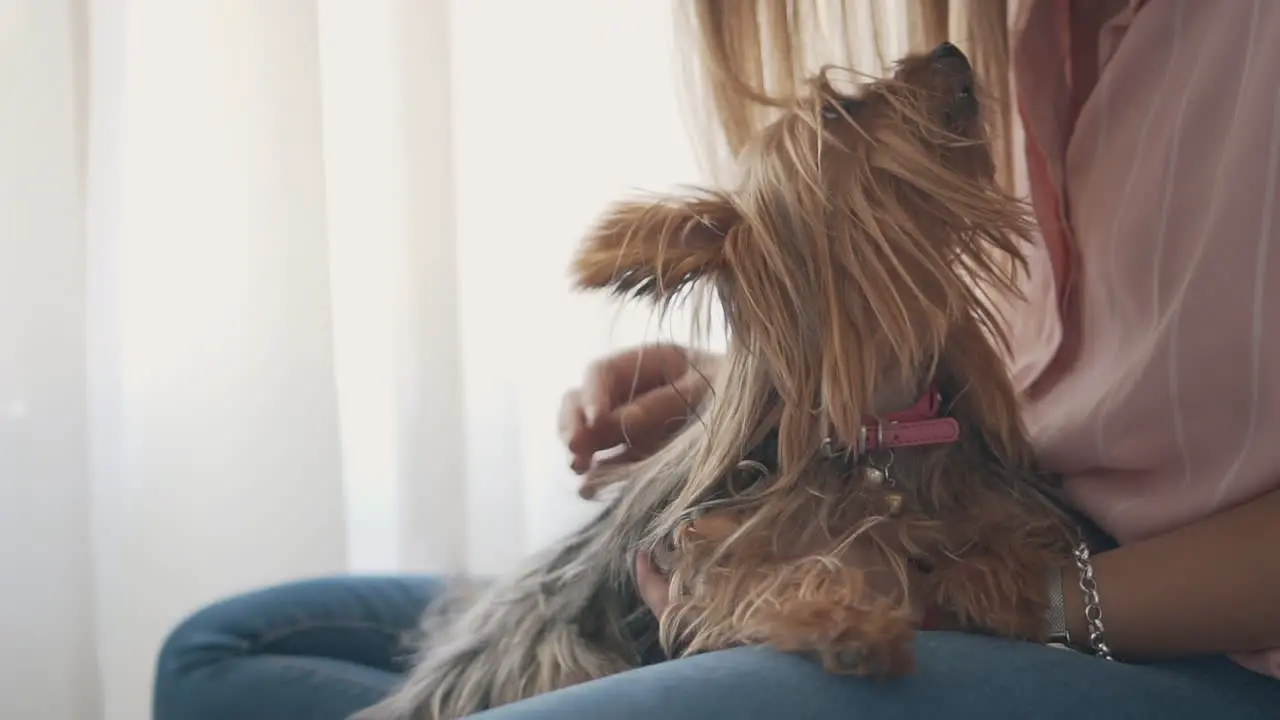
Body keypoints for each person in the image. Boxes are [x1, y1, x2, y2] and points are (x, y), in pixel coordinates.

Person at [153, 1, 1280, 718]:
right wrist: (742, 396)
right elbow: (1036, 384)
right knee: (220, 650)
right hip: (920, 524)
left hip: (1187, 633)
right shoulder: (1040, 42)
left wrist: (996, 601)